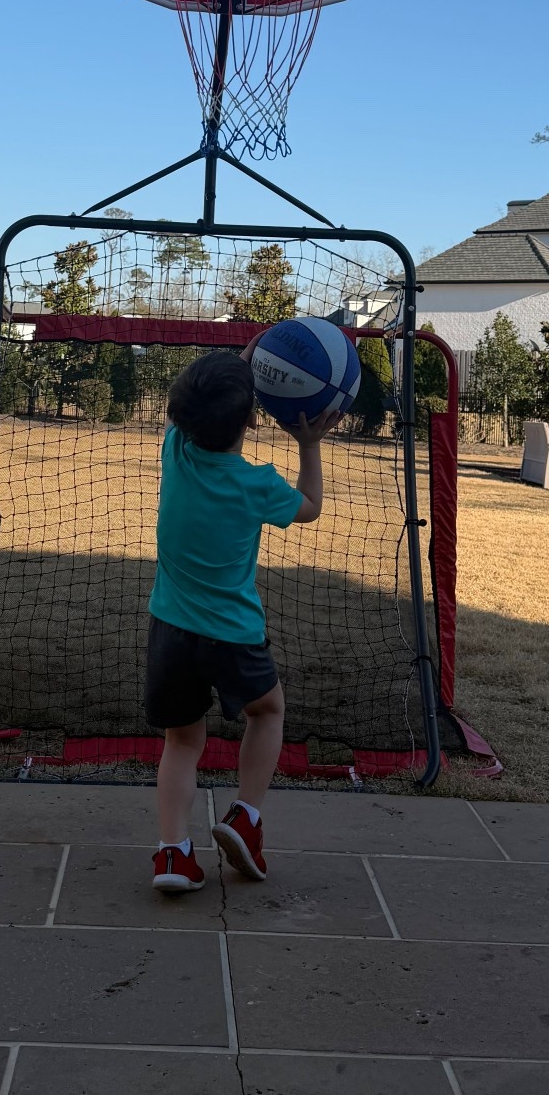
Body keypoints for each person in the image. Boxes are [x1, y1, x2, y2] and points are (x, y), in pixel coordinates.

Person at [145, 342, 337, 892]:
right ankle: (246, 817)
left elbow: (200, 404)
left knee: (182, 742)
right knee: (268, 710)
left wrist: (240, 358)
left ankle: (172, 854)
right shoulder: (258, 486)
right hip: (233, 634)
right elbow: (310, 506)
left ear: (178, 416)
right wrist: (309, 444)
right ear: (252, 419)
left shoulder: (176, 452)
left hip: (170, 631)